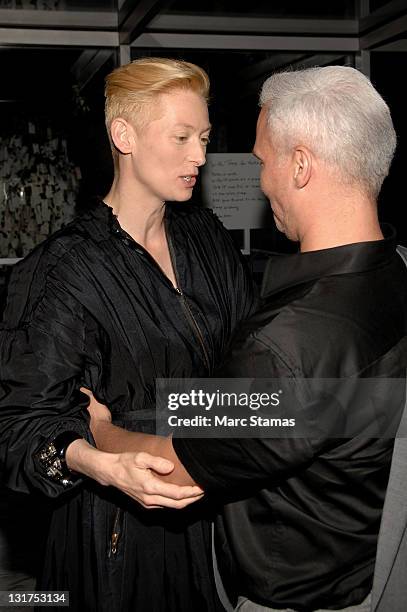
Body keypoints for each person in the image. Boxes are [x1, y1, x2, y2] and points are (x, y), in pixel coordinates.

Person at [88, 66, 407, 611]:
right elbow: (313, 410)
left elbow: (175, 465)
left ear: (301, 166)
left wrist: (103, 429)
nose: (261, 181)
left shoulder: (291, 344)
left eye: (264, 161)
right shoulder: (394, 275)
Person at [0, 58, 255, 611]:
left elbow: (249, 367)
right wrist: (96, 458)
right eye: (182, 136)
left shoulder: (208, 237)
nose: (200, 157)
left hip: (218, 511)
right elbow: (17, 429)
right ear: (124, 135)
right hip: (115, 530)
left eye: (205, 138)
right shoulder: (64, 267)